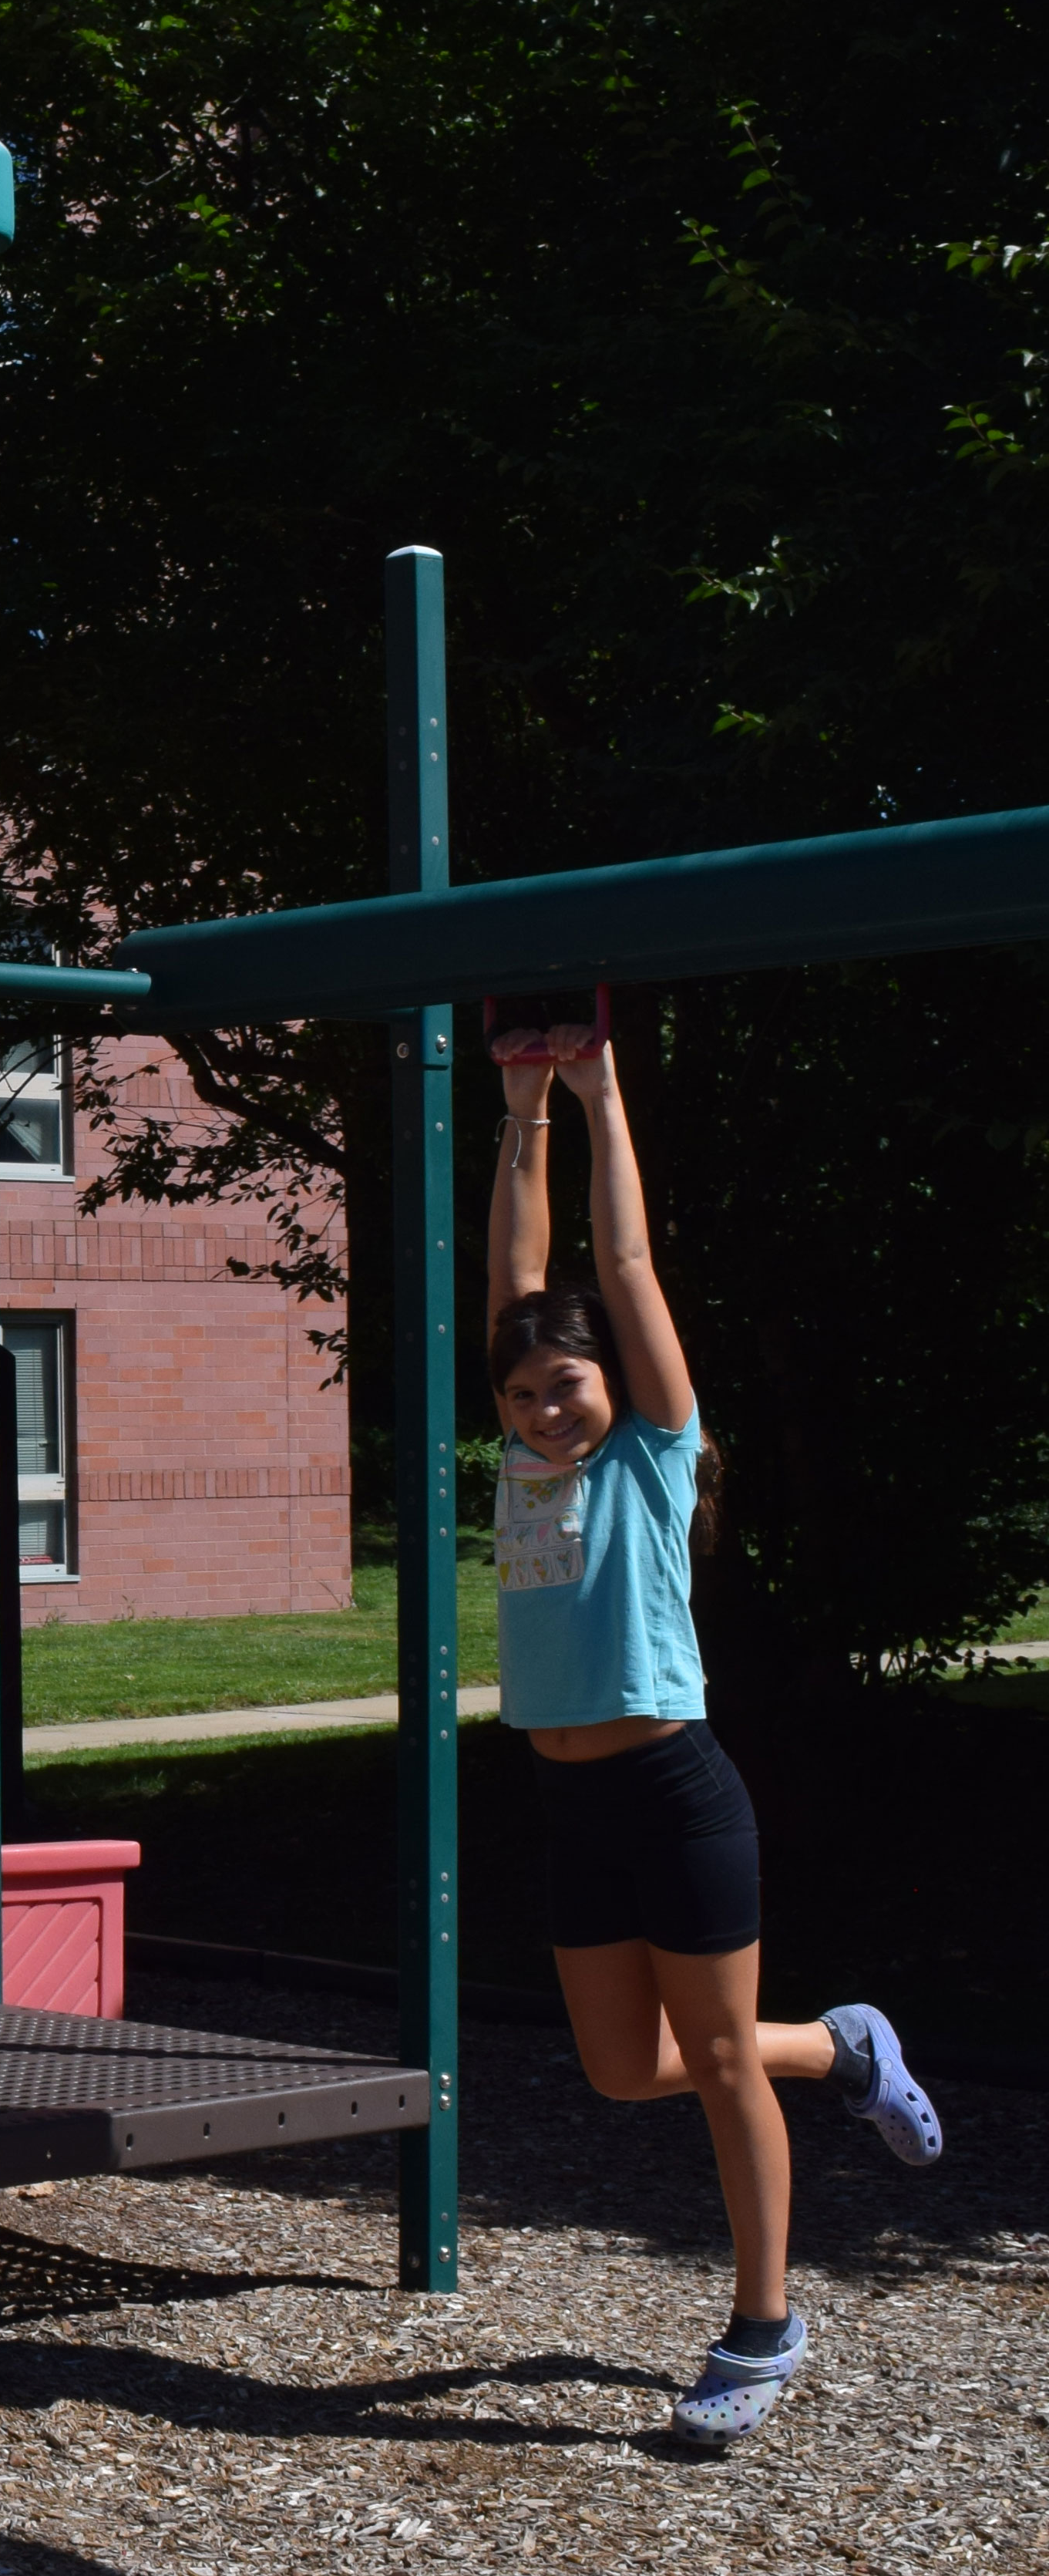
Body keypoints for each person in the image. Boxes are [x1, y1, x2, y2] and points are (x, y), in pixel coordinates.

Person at [488, 1022, 942, 2448]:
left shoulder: (650, 1451)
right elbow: (516, 1274)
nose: (548, 1400)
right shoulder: (523, 1459)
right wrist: (518, 1111)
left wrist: (598, 1092)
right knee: (628, 2072)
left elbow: (615, 1273)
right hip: (572, 1808)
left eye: (568, 1383)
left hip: (679, 1793)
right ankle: (849, 2049)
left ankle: (763, 2326)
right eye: (524, 1389)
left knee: (721, 2063)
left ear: (616, 1388)